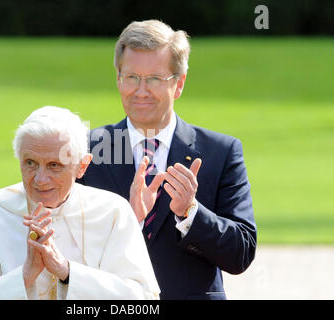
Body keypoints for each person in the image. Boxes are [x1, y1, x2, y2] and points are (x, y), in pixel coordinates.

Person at [78, 20, 257, 300]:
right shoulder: (86, 150)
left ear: (179, 83)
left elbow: (241, 253)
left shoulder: (221, 152)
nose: (141, 91)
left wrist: (191, 214)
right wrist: (129, 220)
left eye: (154, 79)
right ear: (118, 79)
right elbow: (69, 247)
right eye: (132, 77)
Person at [0, 106, 160, 300]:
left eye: (54, 165)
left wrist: (67, 272)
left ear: (82, 167)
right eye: (30, 163)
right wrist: (24, 277)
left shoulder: (113, 212)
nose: (40, 179)